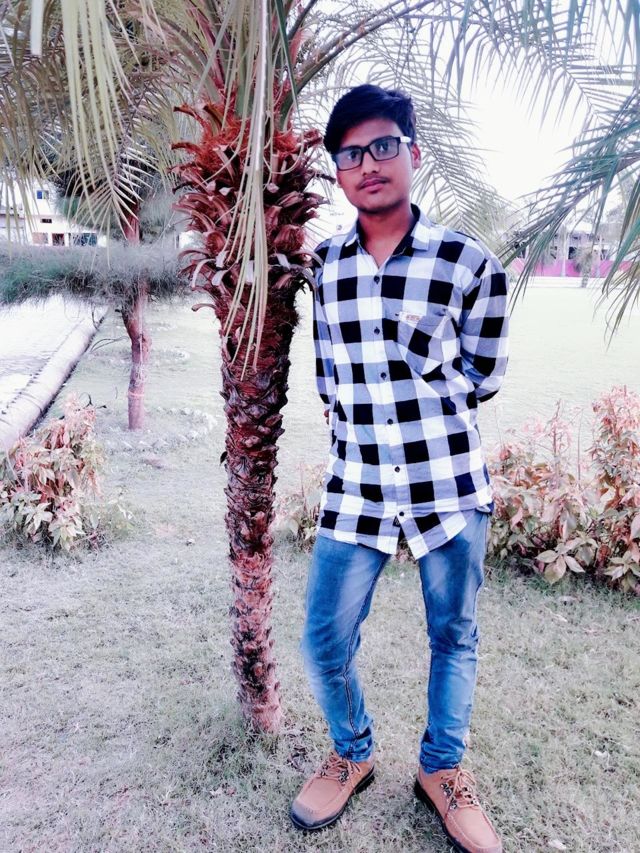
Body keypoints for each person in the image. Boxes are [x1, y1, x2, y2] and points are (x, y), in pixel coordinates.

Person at [290, 85, 509, 853]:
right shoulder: (325, 268)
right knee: (324, 637)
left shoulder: (468, 263)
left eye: (383, 145)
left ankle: (442, 770)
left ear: (413, 153)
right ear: (339, 172)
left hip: (447, 485)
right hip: (357, 488)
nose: (368, 164)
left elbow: (483, 374)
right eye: (350, 154)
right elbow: (329, 379)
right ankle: (351, 751)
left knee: (454, 634)